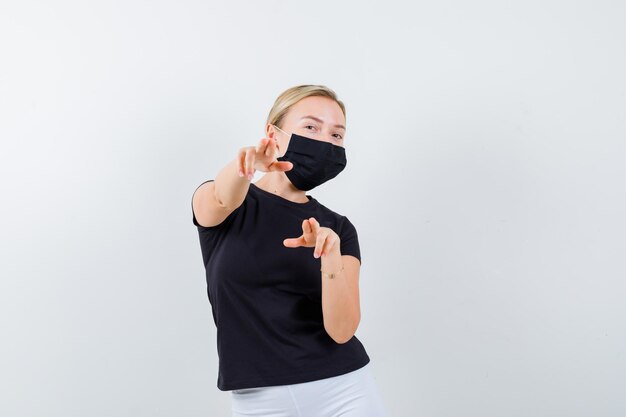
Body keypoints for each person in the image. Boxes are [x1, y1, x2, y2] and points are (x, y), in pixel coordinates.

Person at [191, 85, 388, 416]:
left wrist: (330, 258)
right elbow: (222, 199)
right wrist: (246, 167)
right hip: (259, 400)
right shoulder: (227, 204)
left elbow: (342, 331)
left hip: (344, 389)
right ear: (273, 134)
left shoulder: (338, 228)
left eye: (337, 135)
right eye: (311, 127)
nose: (325, 141)